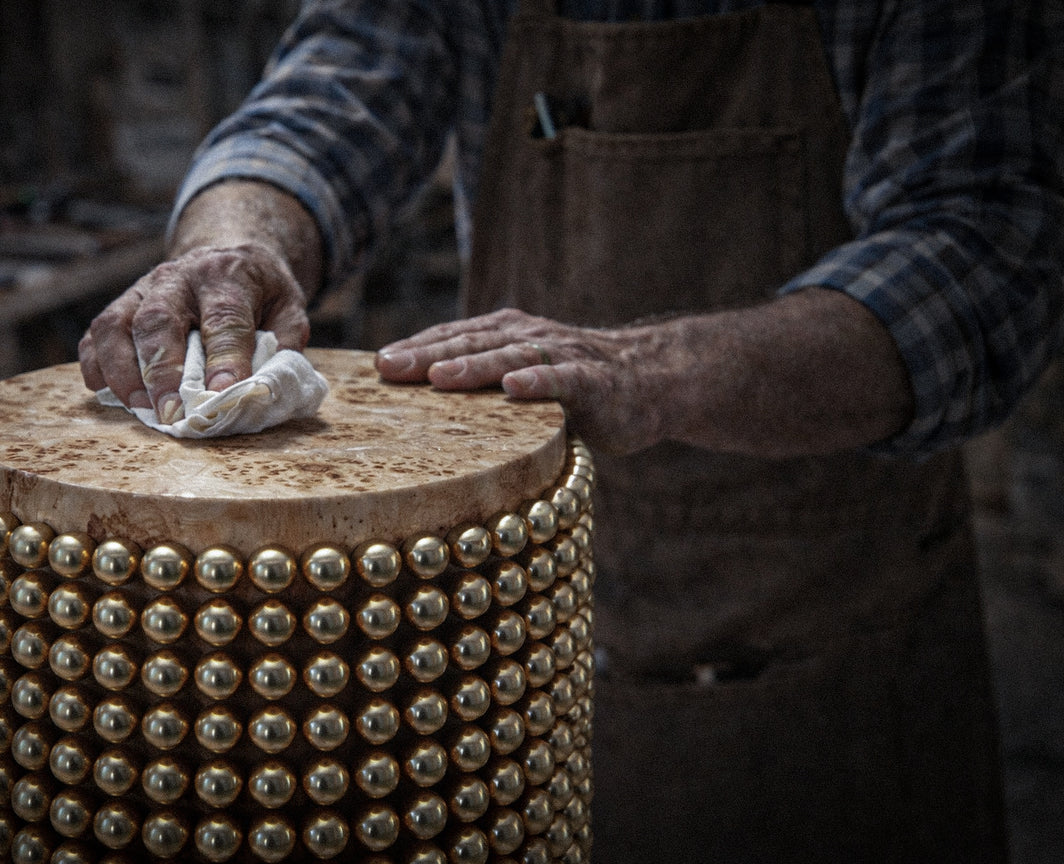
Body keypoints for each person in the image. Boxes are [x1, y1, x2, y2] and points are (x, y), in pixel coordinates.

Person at [80, 1, 1064, 860]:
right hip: (497, 657)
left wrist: (662, 370)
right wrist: (239, 238)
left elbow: (986, 248)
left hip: (819, 656)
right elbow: (333, 95)